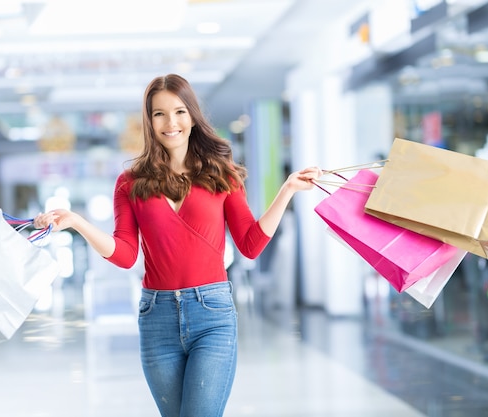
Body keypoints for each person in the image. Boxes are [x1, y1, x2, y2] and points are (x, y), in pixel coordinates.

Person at [34, 73, 322, 417]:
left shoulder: (222, 174)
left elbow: (250, 244)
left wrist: (286, 190)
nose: (171, 122)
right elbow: (126, 255)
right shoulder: (130, 183)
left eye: (179, 111)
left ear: (192, 115)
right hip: (157, 318)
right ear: (149, 120)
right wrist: (78, 222)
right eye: (159, 114)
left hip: (212, 315)